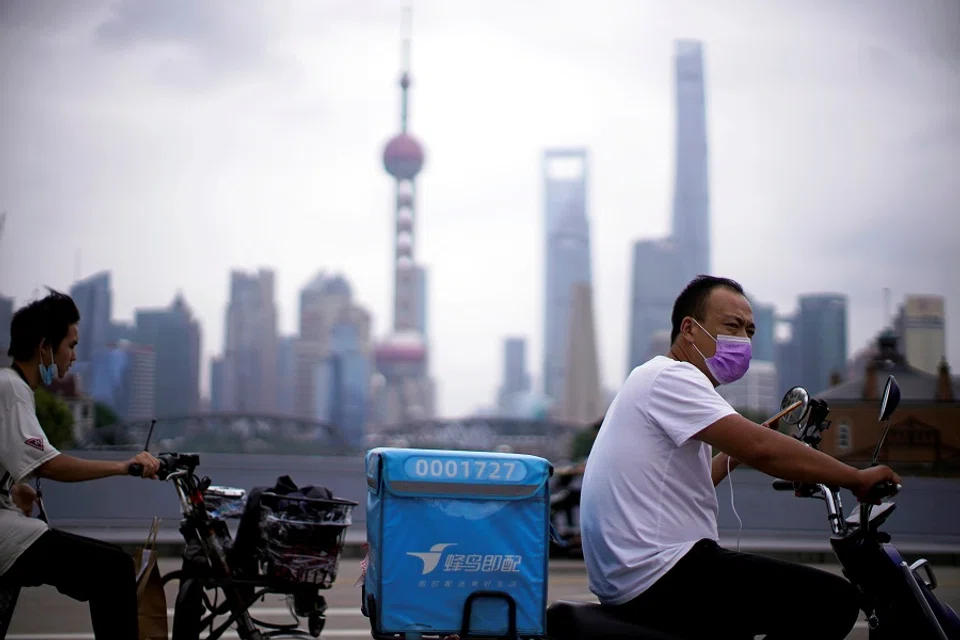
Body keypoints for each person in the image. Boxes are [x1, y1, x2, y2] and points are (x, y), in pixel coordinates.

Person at [579, 275, 901, 640]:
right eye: (731, 327)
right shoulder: (672, 377)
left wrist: (735, 455)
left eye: (749, 331)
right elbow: (762, 448)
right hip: (662, 572)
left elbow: (693, 478)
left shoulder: (657, 381)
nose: (743, 340)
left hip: (636, 574)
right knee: (834, 600)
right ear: (689, 329)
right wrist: (855, 478)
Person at [0, 289, 161, 640]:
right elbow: (51, 465)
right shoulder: (11, 390)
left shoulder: (13, 388)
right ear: (45, 346)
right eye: (70, 345)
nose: (74, 356)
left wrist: (13, 493)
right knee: (114, 569)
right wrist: (123, 468)